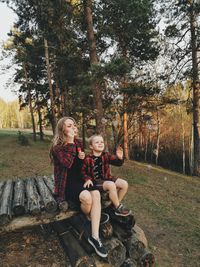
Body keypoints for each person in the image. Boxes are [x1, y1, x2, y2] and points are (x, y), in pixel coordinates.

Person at [50, 117, 108, 258]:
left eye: (73, 125)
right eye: (69, 125)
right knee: (87, 197)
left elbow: (82, 167)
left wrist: (82, 159)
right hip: (66, 184)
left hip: (80, 180)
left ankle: (94, 237)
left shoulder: (79, 143)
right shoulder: (57, 148)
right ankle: (90, 217)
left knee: (96, 194)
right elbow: (67, 164)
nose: (73, 127)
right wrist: (71, 144)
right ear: (62, 130)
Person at [81, 134, 130, 216]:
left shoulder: (106, 155)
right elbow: (82, 172)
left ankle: (115, 206)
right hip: (95, 182)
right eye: (97, 142)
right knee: (111, 185)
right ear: (91, 146)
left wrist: (120, 158)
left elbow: (117, 163)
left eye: (102, 142)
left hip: (107, 178)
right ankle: (118, 207)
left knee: (124, 184)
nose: (100, 143)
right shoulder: (87, 159)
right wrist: (87, 179)